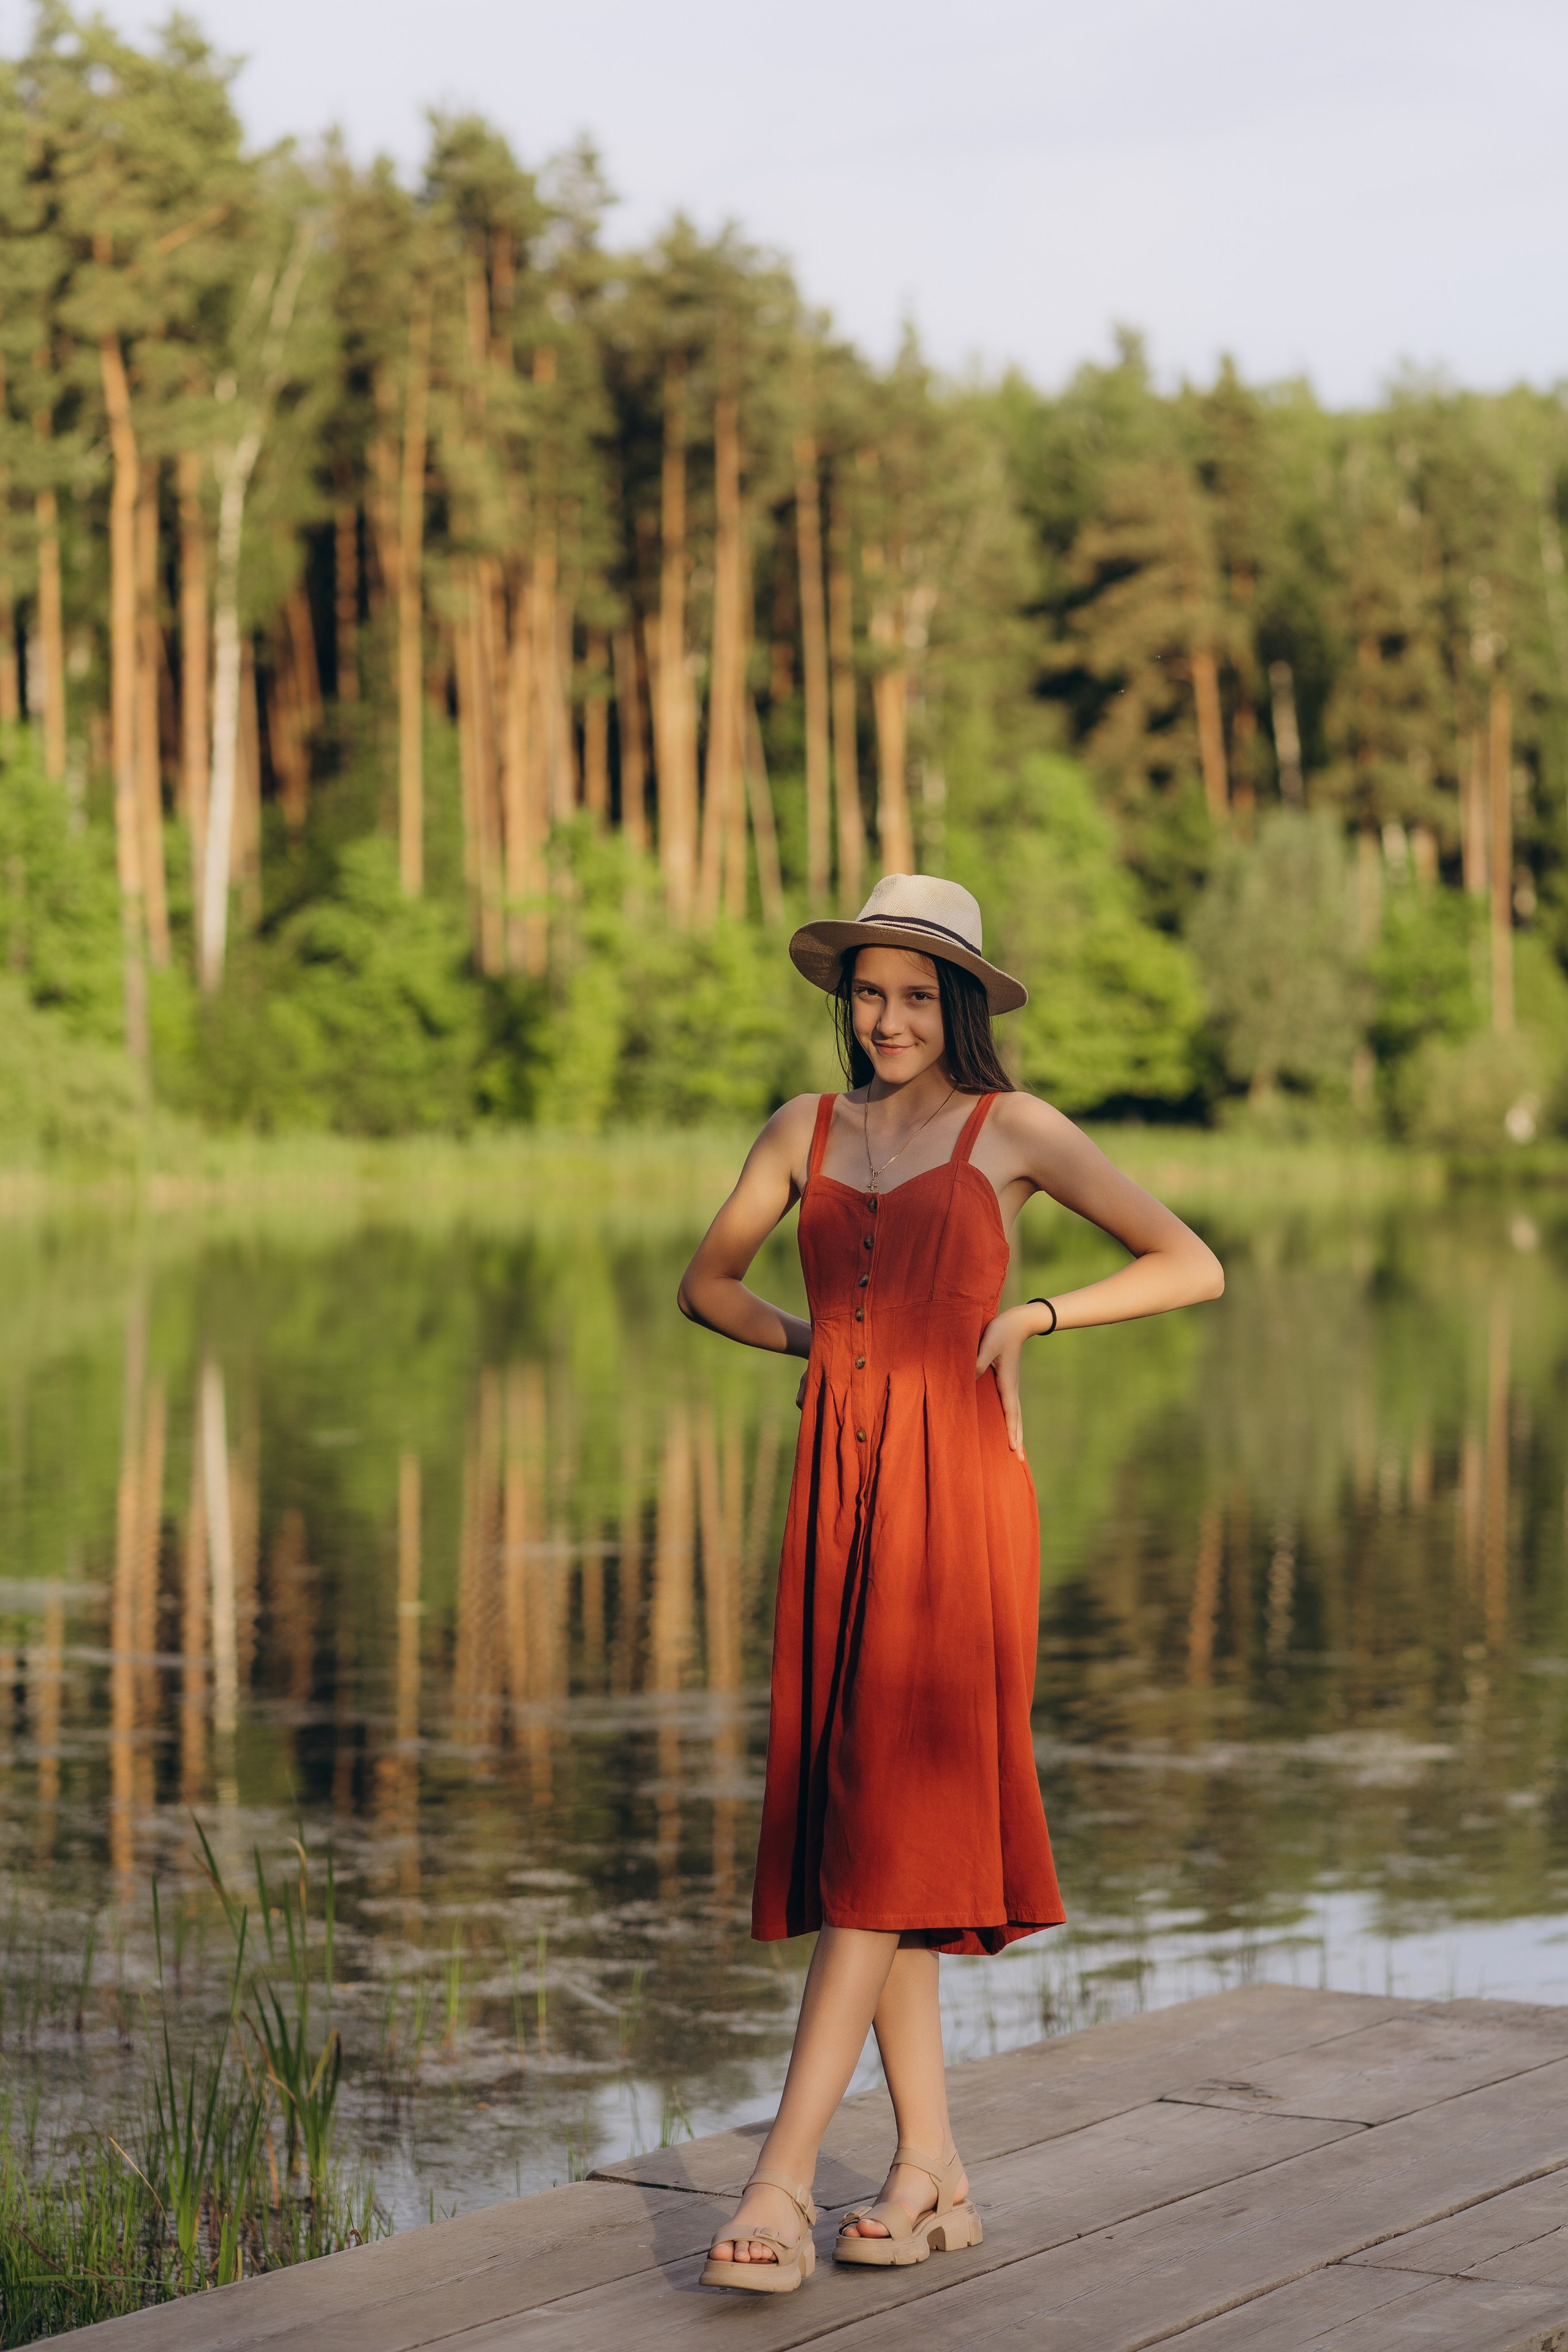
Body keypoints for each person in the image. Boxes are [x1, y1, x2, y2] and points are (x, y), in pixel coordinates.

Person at [677, 873, 1223, 2294]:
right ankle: (929, 2174)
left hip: (961, 1497)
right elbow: (705, 1287)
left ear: (961, 1004)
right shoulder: (801, 1130)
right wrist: (823, 1350)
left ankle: (781, 2180)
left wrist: (1031, 1317)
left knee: (881, 1823)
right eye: (869, 989)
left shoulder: (1013, 1130)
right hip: (839, 1493)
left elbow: (1189, 1263)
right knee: (879, 1822)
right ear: (842, 1000)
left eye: (919, 993)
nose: (890, 1015)